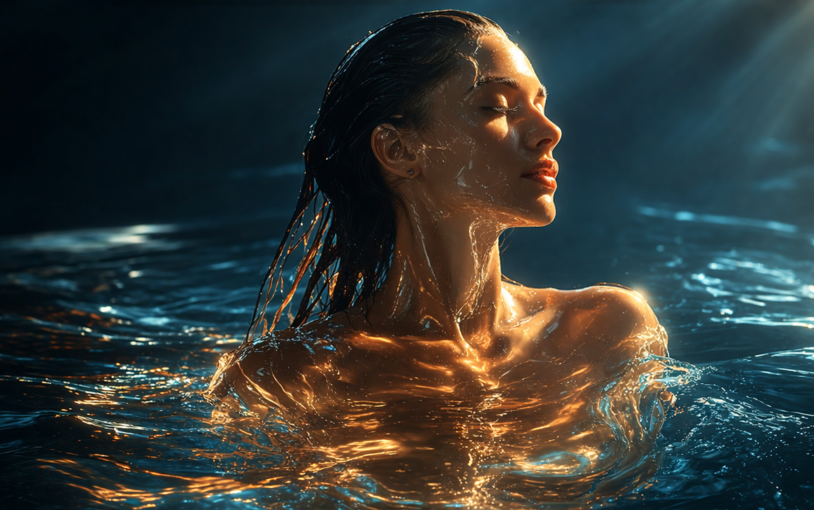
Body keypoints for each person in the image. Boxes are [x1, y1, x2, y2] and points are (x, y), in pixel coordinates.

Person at [207, 11, 669, 485]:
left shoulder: (607, 330)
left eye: (539, 103)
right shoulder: (290, 377)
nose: (549, 131)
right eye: (496, 106)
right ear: (399, 150)